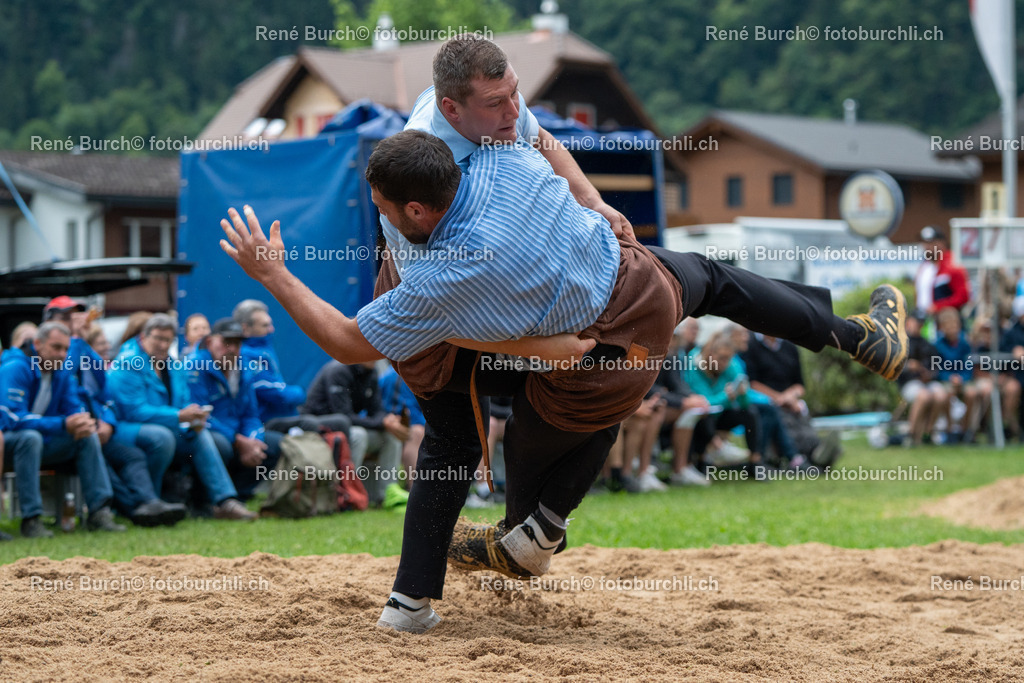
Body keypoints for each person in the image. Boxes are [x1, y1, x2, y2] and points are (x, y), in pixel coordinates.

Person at [220, 126, 908, 633]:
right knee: (648, 336)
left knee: (504, 425)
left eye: (380, 205)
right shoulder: (497, 162)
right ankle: (853, 337)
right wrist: (588, 205)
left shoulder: (434, 273)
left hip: (558, 326)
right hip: (549, 316)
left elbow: (347, 338)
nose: (377, 215)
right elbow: (532, 127)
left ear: (419, 208)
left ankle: (467, 569)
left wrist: (275, 272)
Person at [42, 297, 185, 527]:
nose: (74, 321)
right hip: (62, 431)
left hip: (93, 427)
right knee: (100, 458)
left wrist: (107, 421)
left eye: (76, 316)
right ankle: (132, 509)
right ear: (49, 322)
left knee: (132, 456)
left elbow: (104, 392)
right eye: (66, 317)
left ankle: (149, 502)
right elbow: (66, 379)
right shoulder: (51, 353)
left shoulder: (83, 349)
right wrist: (76, 339)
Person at [107, 314, 256, 520]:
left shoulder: (173, 365)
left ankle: (223, 501)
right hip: (124, 428)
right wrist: (179, 416)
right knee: (161, 437)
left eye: (167, 340)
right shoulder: (128, 363)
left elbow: (183, 401)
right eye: (158, 338)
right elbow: (134, 411)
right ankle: (152, 500)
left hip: (164, 426)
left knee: (202, 434)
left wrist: (193, 417)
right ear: (143, 337)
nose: (162, 345)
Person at [0, 322, 124, 537]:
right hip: (9, 444)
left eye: (66, 349)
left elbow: (73, 408)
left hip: (44, 442)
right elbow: (11, 418)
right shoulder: (15, 367)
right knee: (30, 438)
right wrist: (62, 424)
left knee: (87, 436)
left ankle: (99, 512)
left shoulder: (62, 372)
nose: (62, 354)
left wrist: (81, 422)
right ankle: (31, 520)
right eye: (56, 347)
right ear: (38, 344)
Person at [187, 317, 282, 500]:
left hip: (237, 435)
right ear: (209, 342)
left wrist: (253, 441)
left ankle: (238, 495)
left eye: (237, 343)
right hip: (207, 433)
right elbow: (198, 416)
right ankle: (204, 499)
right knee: (219, 443)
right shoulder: (195, 367)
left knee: (275, 444)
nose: (232, 349)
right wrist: (238, 441)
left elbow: (251, 415)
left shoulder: (244, 369)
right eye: (226, 342)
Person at [303, 359, 407, 507]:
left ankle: (387, 495)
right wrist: (381, 422)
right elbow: (343, 416)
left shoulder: (371, 373)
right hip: (320, 431)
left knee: (390, 436)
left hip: (348, 428)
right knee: (359, 435)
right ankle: (349, 492)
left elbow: (376, 411)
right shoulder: (338, 370)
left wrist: (388, 421)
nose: (377, 356)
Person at [235, 300, 307, 428]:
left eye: (270, 324)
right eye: (265, 325)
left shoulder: (265, 347)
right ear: (245, 328)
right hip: (264, 422)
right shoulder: (246, 354)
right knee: (313, 424)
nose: (271, 329)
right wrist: (299, 392)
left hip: (283, 416)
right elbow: (276, 394)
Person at [918, 226, 970, 316]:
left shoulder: (952, 263)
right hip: (926, 320)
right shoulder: (925, 266)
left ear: (942, 243)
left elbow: (963, 296)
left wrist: (937, 307)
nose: (927, 247)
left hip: (947, 321)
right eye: (925, 243)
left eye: (931, 243)